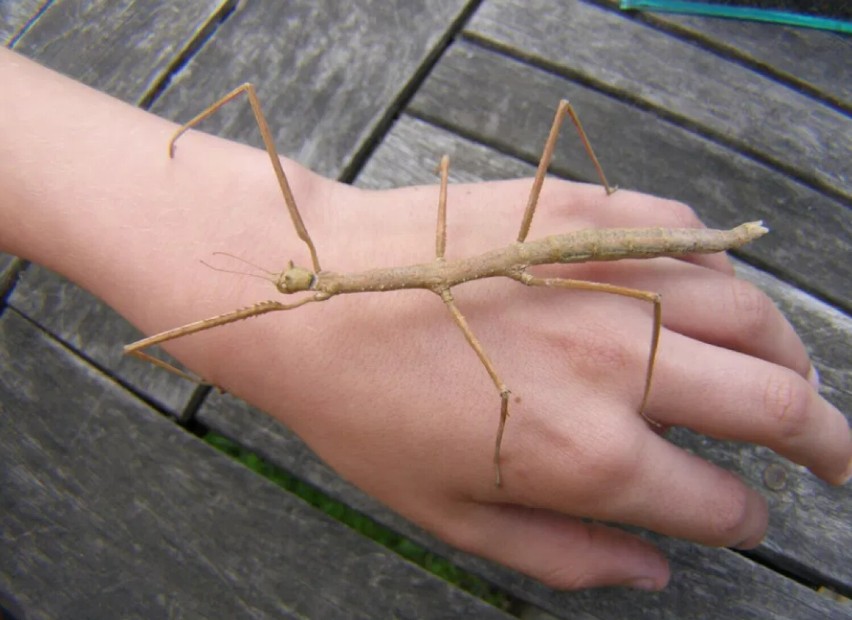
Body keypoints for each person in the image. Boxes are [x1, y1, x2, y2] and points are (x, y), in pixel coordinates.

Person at [1, 47, 849, 592]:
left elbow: (497, 378)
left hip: (517, 260)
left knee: (638, 294)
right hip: (486, 257)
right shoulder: (331, 282)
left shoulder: (439, 293)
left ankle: (707, 238)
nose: (305, 288)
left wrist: (503, 413)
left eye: (305, 284)